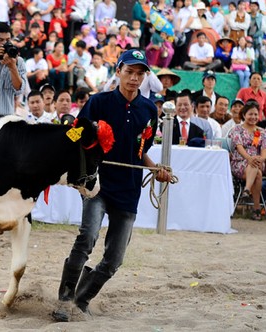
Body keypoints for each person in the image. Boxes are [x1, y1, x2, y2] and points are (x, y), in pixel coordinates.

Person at [52, 49, 171, 322]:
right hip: (97, 185)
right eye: (129, 72)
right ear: (118, 71)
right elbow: (75, 136)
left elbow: (140, 150)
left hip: (129, 190)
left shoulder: (148, 110)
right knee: (87, 238)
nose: (134, 78)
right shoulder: (99, 102)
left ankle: (81, 299)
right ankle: (64, 299)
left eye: (140, 73)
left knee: (115, 259)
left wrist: (157, 169)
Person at [228, 101, 266, 220]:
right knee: (258, 174)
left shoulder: (262, 131)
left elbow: (264, 151)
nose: (253, 117)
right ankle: (256, 208)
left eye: (256, 114)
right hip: (240, 161)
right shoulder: (237, 130)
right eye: (250, 114)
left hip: (257, 161)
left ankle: (246, 190)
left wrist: (260, 159)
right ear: (244, 115)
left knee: (256, 166)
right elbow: (239, 147)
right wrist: (249, 158)